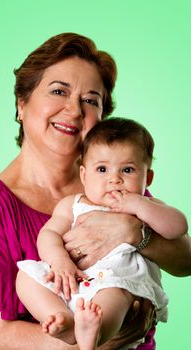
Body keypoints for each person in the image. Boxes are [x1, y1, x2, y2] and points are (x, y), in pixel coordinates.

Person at [0, 33, 190, 350]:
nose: (74, 110)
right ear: (21, 103)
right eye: (58, 91)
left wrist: (134, 232)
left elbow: (185, 260)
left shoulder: (111, 181)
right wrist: (93, 343)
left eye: (90, 100)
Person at [16, 117, 188, 350]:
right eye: (102, 169)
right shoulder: (72, 205)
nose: (114, 179)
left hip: (119, 284)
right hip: (73, 281)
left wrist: (140, 206)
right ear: (84, 175)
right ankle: (61, 319)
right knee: (26, 276)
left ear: (147, 178)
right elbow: (49, 235)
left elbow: (178, 227)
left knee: (115, 297)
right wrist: (59, 260)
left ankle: (94, 337)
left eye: (127, 170)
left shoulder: (147, 206)